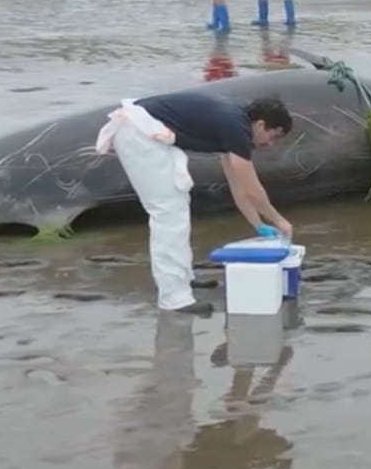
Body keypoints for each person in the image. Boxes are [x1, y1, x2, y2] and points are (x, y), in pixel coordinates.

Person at [94, 90, 295, 316]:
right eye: (273, 136)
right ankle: (174, 298)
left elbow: (237, 184)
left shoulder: (237, 121)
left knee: (177, 204)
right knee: (168, 212)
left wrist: (258, 224)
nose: (271, 145)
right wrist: (279, 220)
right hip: (139, 133)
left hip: (148, 131)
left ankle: (182, 279)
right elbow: (251, 187)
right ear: (260, 125)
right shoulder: (236, 127)